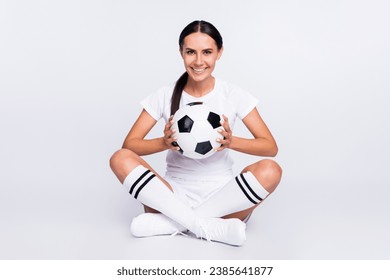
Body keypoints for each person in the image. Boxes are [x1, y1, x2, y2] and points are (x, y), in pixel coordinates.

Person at [110, 20, 282, 246]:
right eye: (190, 52)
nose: (199, 61)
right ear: (181, 53)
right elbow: (129, 145)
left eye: (207, 52)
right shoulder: (165, 94)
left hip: (223, 195)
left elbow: (270, 147)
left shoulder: (233, 94)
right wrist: (163, 143)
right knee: (119, 158)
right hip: (171, 194)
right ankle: (208, 227)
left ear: (219, 53)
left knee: (271, 170)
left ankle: (176, 223)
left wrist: (231, 141)